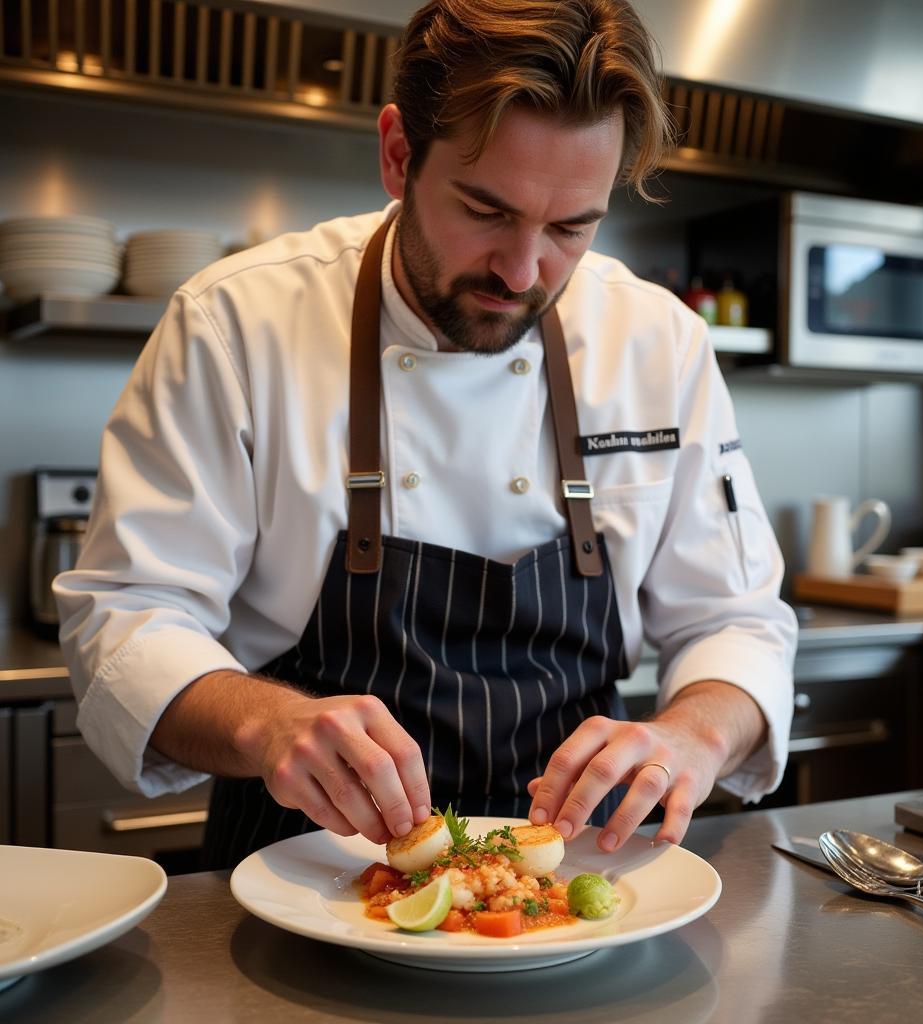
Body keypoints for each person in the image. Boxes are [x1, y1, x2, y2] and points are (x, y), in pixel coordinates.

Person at [55, 0, 797, 870]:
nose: (523, 272)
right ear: (399, 153)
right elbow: (128, 617)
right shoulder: (236, 324)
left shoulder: (658, 342)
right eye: (486, 209)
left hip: (573, 875)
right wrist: (270, 724)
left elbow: (737, 618)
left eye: (570, 228)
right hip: (305, 866)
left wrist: (694, 735)